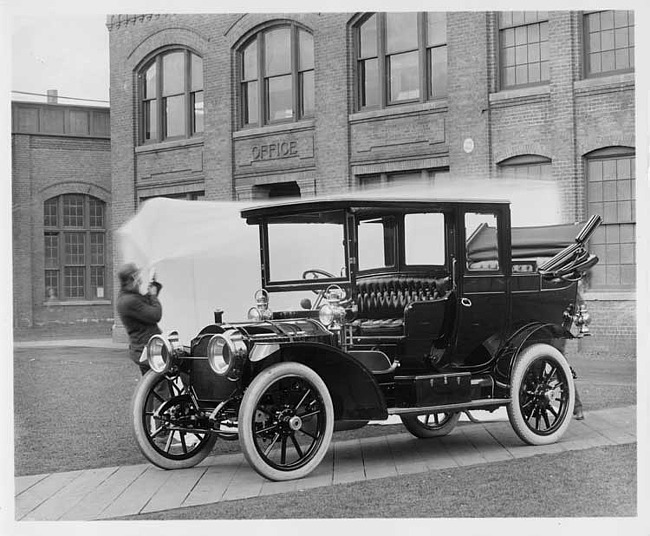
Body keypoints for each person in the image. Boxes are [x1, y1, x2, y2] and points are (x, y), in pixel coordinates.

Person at [116, 263, 163, 375]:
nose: (141, 281)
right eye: (138, 277)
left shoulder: (128, 297)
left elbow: (144, 303)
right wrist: (153, 296)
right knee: (160, 388)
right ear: (132, 278)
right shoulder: (129, 301)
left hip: (144, 348)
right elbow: (155, 315)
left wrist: (152, 283)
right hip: (147, 349)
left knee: (153, 387)